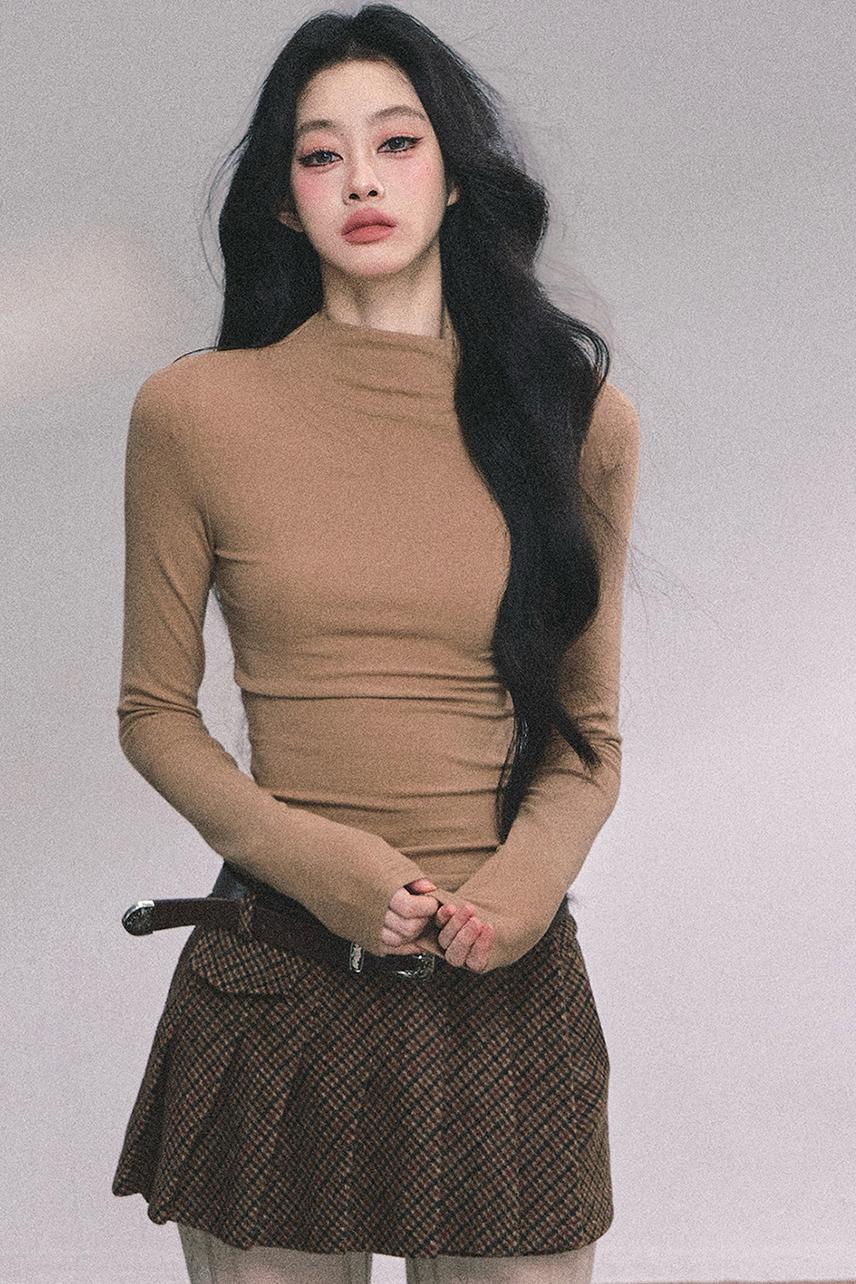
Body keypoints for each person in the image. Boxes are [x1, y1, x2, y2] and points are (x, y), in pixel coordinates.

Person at [111, 5, 641, 1282]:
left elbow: (586, 734)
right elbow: (153, 713)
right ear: (282, 202)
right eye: (319, 154)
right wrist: (321, 865)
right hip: (277, 984)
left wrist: (517, 896)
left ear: (453, 176)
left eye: (396, 143)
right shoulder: (195, 412)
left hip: (501, 987)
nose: (360, 179)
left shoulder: (575, 418)